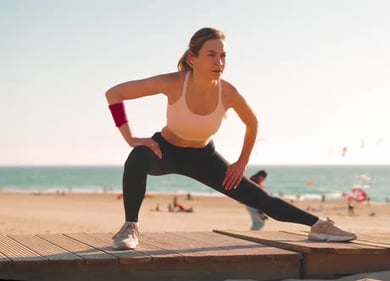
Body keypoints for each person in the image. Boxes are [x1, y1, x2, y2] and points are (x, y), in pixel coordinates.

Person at [106, 27, 356, 250]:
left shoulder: (228, 92)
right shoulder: (174, 82)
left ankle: (319, 225)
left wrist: (241, 162)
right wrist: (131, 138)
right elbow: (115, 93)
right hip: (166, 150)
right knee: (137, 156)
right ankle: (130, 227)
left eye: (223, 56)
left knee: (259, 198)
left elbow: (252, 123)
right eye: (211, 55)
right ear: (193, 58)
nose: (220, 62)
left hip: (203, 158)